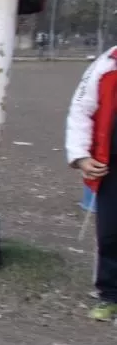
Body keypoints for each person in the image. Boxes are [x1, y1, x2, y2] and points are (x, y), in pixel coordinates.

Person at [65, 45, 117, 320]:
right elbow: (81, 109)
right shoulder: (108, 63)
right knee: (110, 233)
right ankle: (110, 295)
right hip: (112, 164)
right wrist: (81, 156)